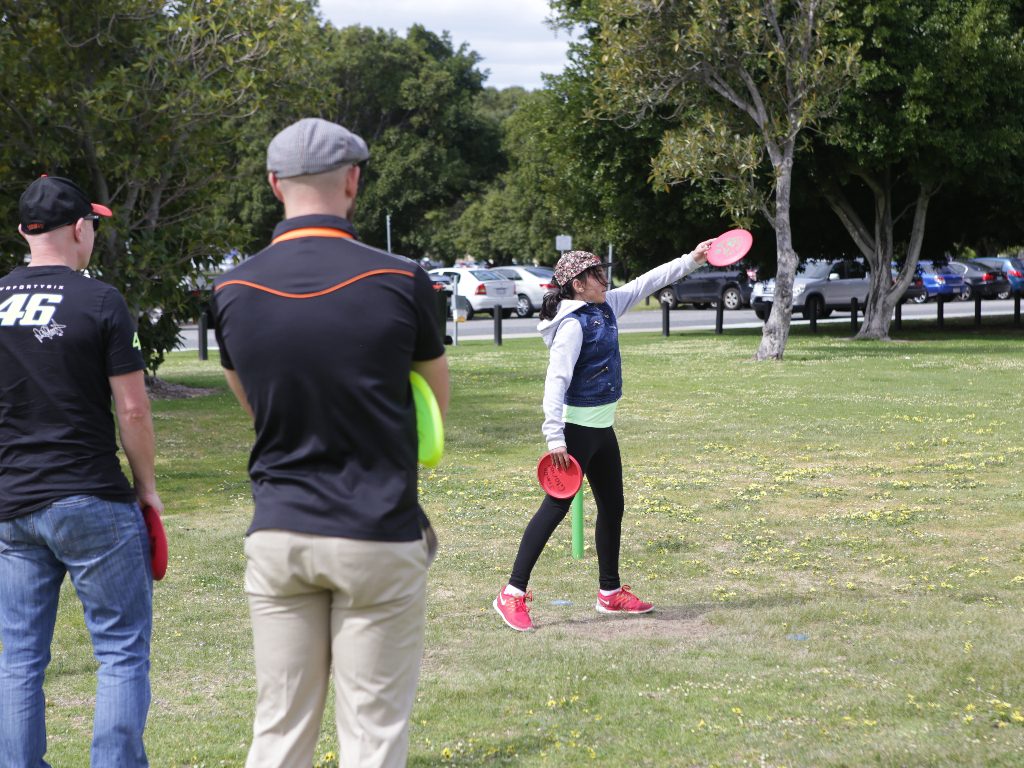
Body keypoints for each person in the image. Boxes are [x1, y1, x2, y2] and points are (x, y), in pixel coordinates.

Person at [211, 118, 449, 768]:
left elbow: (253, 408)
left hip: (280, 531)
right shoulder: (405, 280)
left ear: (272, 185)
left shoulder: (230, 288)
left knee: (279, 731)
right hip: (377, 529)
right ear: (354, 181)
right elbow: (432, 407)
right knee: (372, 737)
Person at [0, 175, 161, 765]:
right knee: (120, 651)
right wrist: (147, 491)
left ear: (24, 231)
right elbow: (134, 407)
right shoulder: (100, 301)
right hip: (90, 498)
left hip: (13, 508)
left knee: (18, 659)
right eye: (93, 223)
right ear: (78, 228)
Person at [494, 243, 714, 632]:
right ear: (578, 285)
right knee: (554, 510)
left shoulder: (607, 305)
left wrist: (692, 260)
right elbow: (555, 382)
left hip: (601, 429)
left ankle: (609, 594)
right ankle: (511, 593)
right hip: (576, 433)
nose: (605, 278)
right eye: (597, 274)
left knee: (613, 508)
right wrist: (555, 439)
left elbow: (649, 281)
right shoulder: (573, 325)